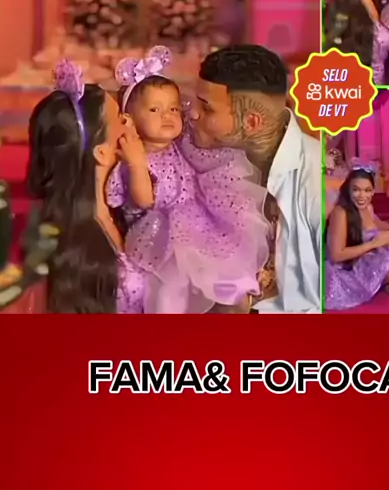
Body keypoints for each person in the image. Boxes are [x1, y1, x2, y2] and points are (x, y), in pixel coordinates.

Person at [106, 46, 269, 314]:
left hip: (194, 219)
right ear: (129, 119)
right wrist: (136, 164)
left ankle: (239, 291)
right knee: (171, 288)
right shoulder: (134, 158)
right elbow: (145, 200)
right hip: (159, 232)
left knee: (222, 252)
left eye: (173, 108)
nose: (168, 116)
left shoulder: (180, 145)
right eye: (155, 109)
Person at [190, 44, 321, 313]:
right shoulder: (196, 158)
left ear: (251, 123)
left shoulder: (312, 177)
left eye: (207, 108)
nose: (192, 113)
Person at [27, 60, 147, 313]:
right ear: (102, 152)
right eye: (120, 119)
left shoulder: (124, 206)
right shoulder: (66, 245)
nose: (129, 121)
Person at [325, 168, 389, 311]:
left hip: (365, 256)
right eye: (356, 190)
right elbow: (336, 256)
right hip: (346, 268)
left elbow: (378, 224)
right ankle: (386, 285)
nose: (362, 196)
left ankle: (387, 284)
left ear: (373, 191)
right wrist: (374, 243)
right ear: (348, 190)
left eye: (367, 190)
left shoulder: (368, 208)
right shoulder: (341, 212)